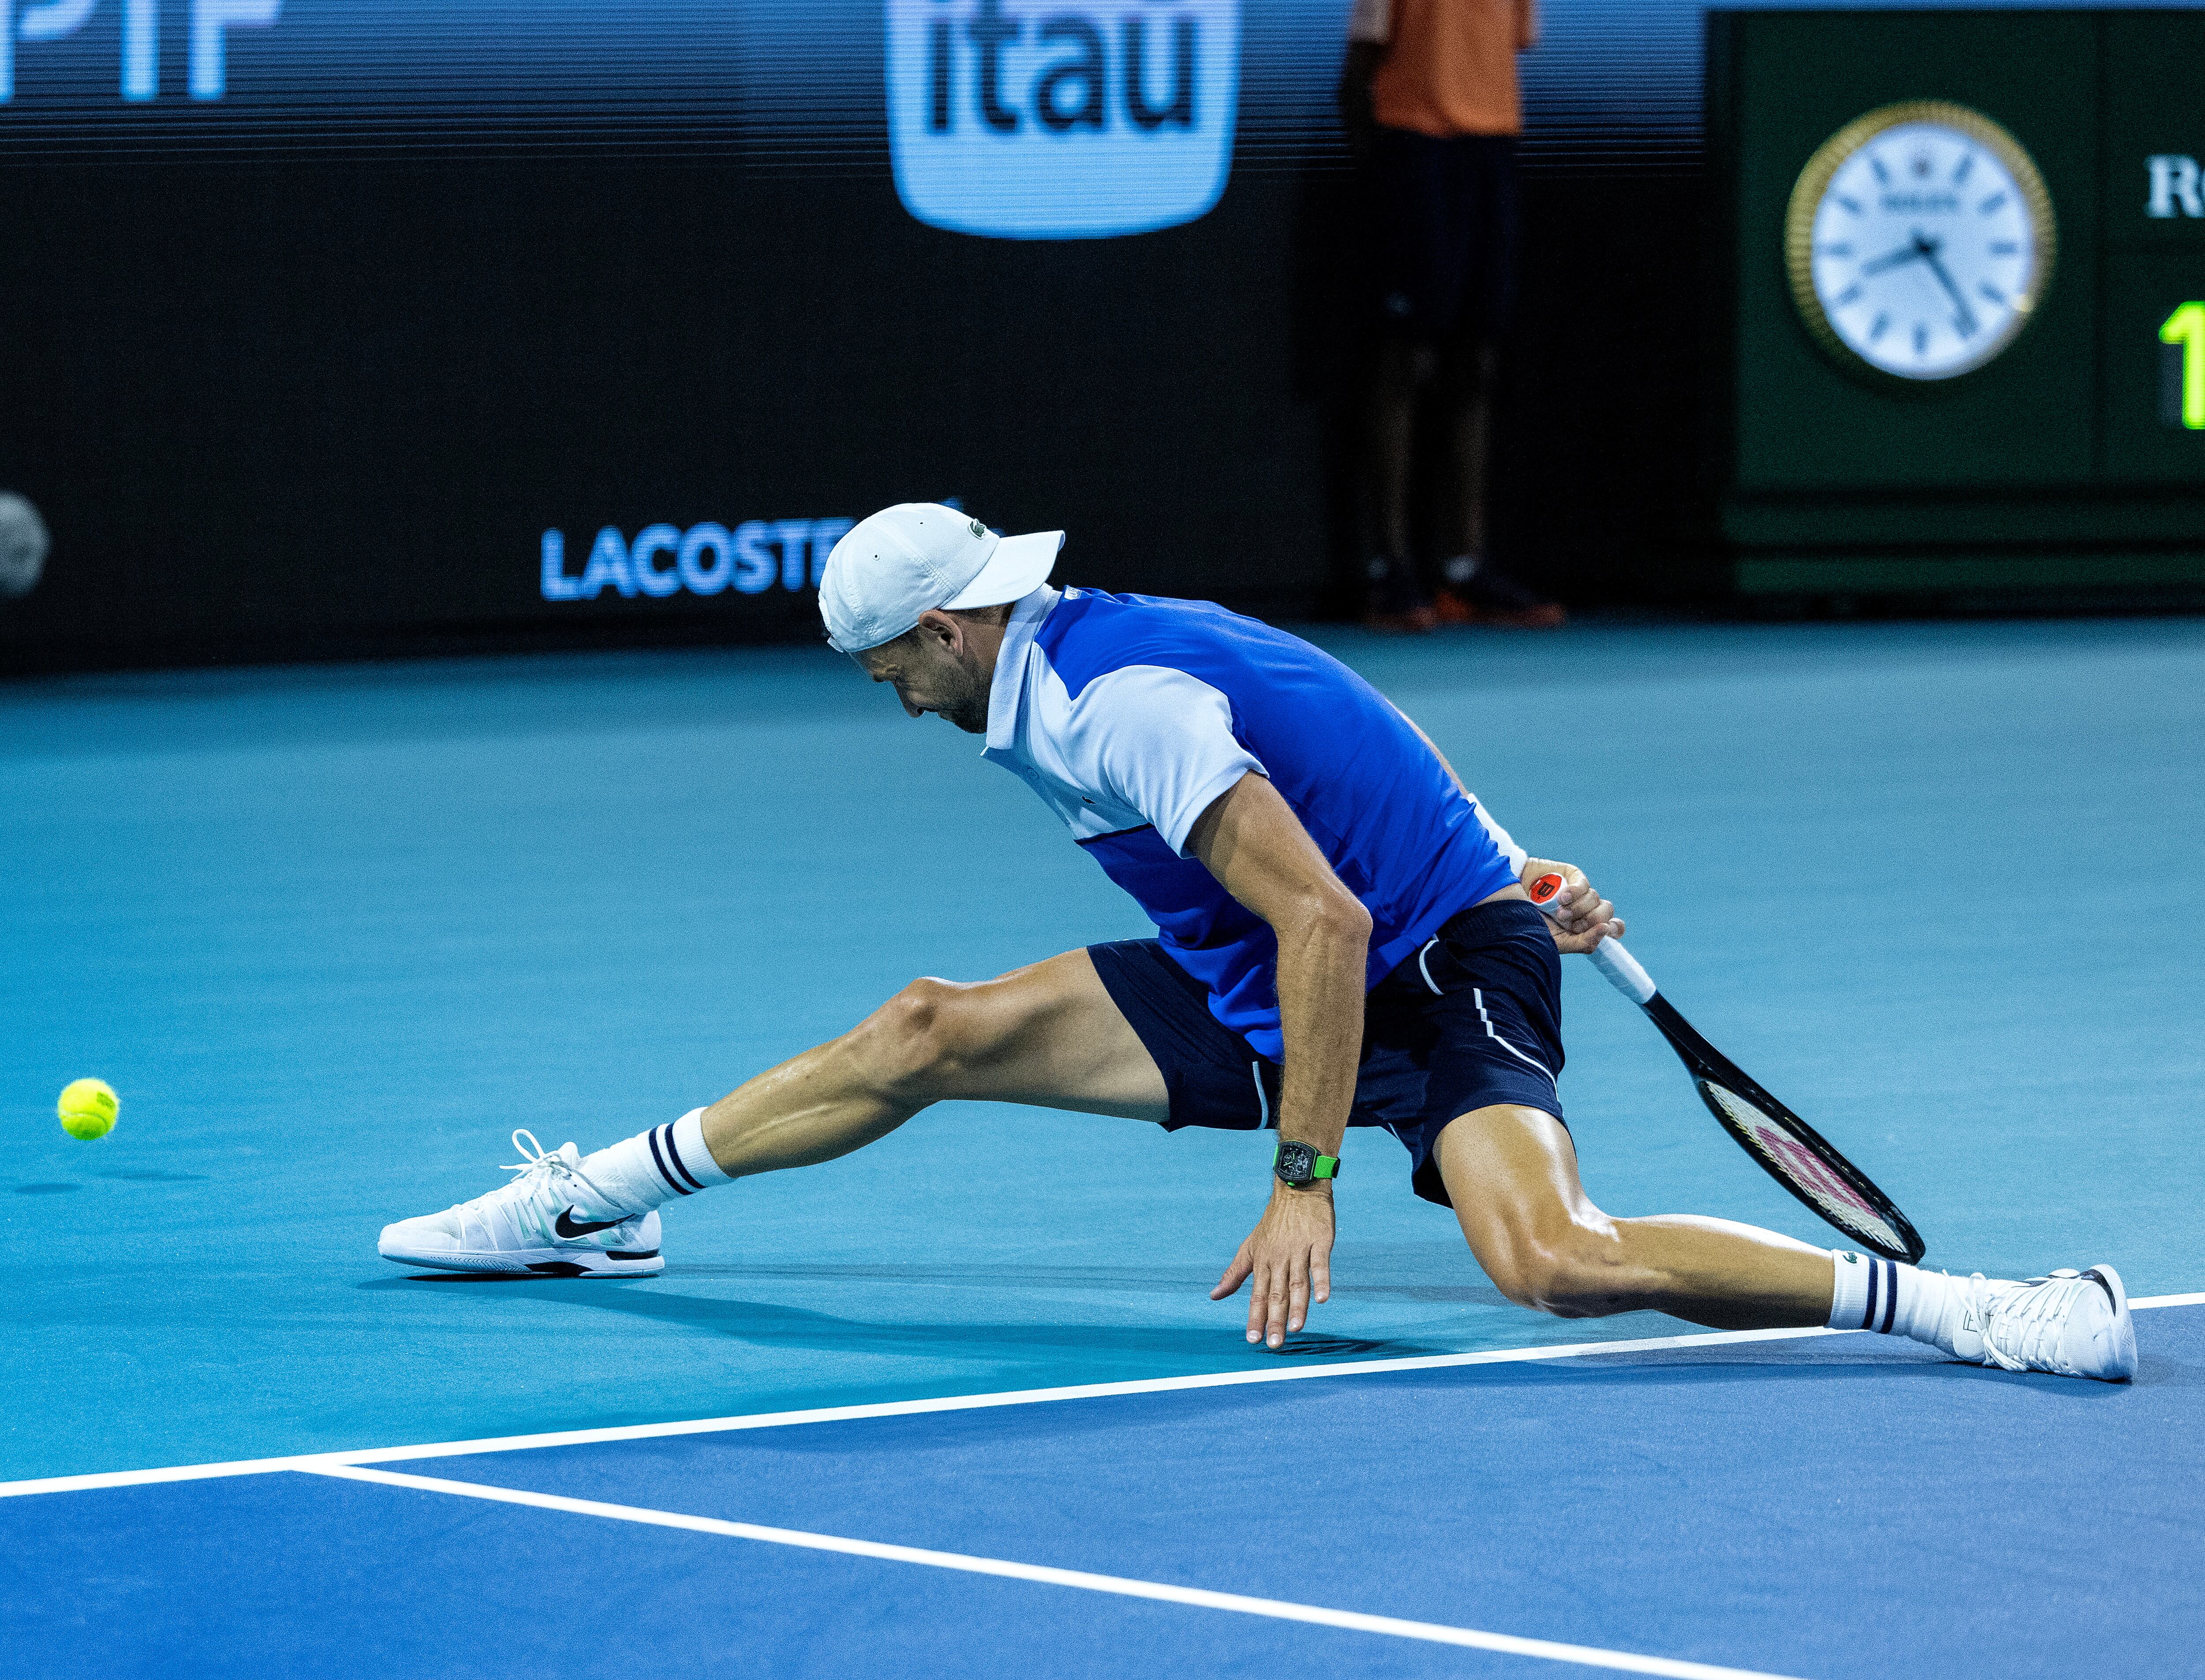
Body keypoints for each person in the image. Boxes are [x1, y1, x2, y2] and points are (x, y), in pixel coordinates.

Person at [380, 505, 2136, 1381]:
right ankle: (581, 1207)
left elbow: (1334, 907)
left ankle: (1981, 1306)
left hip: (1424, 960)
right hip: (1276, 966)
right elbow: (1343, 744)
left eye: (886, 670)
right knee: (927, 1028)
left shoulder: (1113, 698)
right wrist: (1521, 845)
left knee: (1552, 1260)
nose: (886, 700)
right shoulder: (1066, 664)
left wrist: (1305, 1166)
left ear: (943, 627)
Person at [1339, 0, 1564, 631]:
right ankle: (1391, 567)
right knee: (1406, 356)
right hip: (1413, 143)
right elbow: (1360, 61)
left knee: (1478, 360)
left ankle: (1464, 568)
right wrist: (1383, 163)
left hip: (1489, 147)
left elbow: (1512, 41)